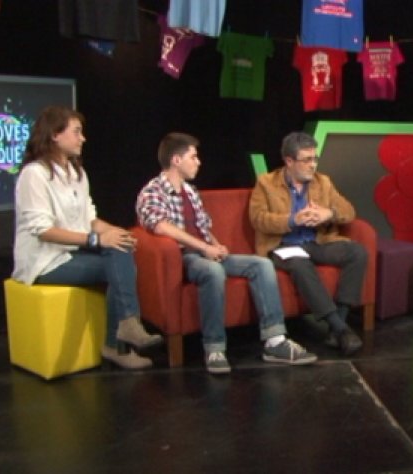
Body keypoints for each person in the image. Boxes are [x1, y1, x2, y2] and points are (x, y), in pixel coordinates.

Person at [135, 132, 317, 374]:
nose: (198, 162)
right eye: (193, 157)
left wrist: (216, 245)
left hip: (205, 251)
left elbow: (203, 227)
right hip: (183, 258)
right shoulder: (152, 191)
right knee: (213, 271)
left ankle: (275, 341)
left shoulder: (190, 191)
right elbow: (161, 226)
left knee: (262, 265)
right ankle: (214, 348)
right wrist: (205, 248)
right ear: (176, 160)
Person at [12, 105, 163, 370]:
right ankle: (120, 338)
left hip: (72, 252)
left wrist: (116, 232)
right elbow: (43, 230)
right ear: (55, 135)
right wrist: (96, 240)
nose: (83, 138)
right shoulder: (34, 175)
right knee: (115, 261)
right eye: (77, 132)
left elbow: (90, 219)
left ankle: (125, 330)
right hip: (44, 261)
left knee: (120, 248)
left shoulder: (77, 174)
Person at [249, 131, 367, 355]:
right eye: (306, 160)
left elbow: (349, 211)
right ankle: (341, 329)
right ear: (289, 161)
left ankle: (338, 326)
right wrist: (293, 220)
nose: (313, 165)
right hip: (283, 246)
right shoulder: (266, 183)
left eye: (315, 159)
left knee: (357, 252)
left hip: (317, 242)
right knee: (300, 265)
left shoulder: (323, 182)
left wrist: (329, 214)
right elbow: (258, 219)